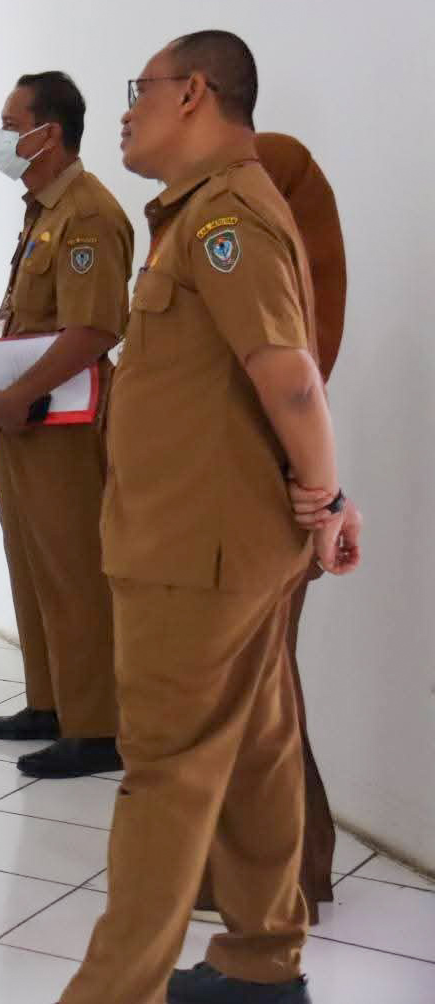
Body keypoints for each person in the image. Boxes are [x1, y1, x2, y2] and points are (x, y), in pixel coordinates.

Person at [59, 30, 363, 1004]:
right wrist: (322, 505)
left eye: (137, 89)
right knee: (258, 748)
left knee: (167, 774)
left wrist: (326, 501)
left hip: (197, 552)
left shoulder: (225, 214)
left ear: (192, 92)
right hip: (219, 543)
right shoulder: (202, 213)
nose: (124, 109)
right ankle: (261, 961)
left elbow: (291, 380)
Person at [191, 132, 348, 926]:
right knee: (250, 699)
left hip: (267, 501)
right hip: (237, 495)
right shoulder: (239, 205)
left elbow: (295, 372)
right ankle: (259, 877)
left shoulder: (260, 198)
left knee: (261, 703)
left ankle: (286, 883)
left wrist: (310, 488)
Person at [0, 71, 127, 779]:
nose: (2, 137)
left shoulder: (87, 212)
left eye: (12, 123)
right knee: (31, 563)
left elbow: (95, 326)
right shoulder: (42, 208)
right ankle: (50, 702)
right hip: (22, 419)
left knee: (73, 573)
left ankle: (96, 727)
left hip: (63, 421)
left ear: (49, 133)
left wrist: (26, 391)